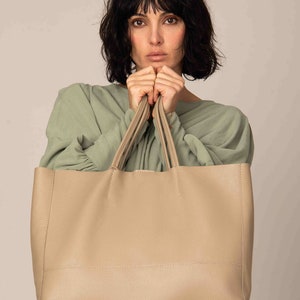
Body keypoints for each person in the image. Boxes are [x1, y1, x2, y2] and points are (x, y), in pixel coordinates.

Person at [39, 0, 254, 172]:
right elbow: (61, 193)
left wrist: (168, 120)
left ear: (190, 30)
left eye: (170, 20)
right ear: (124, 34)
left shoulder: (227, 123)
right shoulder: (82, 102)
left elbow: (214, 207)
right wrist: (133, 117)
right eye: (139, 22)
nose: (155, 39)